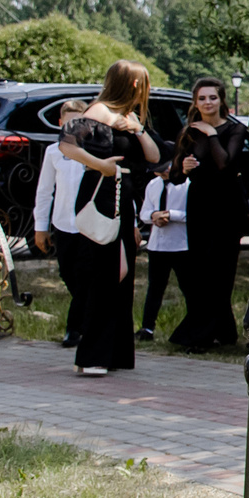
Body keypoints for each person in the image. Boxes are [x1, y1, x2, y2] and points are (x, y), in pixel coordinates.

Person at [55, 61, 164, 378]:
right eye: (142, 84)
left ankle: (113, 351)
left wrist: (138, 129)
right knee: (103, 276)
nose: (145, 90)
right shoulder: (98, 111)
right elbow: (67, 144)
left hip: (123, 198)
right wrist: (100, 165)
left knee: (122, 275)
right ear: (130, 84)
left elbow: (155, 157)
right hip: (102, 193)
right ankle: (91, 355)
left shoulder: (130, 117)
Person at [168, 77, 249, 353]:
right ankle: (222, 331)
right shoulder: (188, 132)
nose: (207, 103)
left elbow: (226, 164)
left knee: (222, 270)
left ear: (221, 100)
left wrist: (211, 134)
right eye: (202, 98)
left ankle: (205, 334)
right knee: (199, 270)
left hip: (227, 206)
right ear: (195, 101)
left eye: (212, 98)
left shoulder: (235, 129)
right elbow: (175, 177)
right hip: (200, 204)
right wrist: (185, 166)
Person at [32, 96, 87, 348]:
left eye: (80, 121)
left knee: (84, 274)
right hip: (63, 222)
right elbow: (45, 191)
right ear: (60, 123)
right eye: (69, 122)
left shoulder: (95, 149)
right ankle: (87, 315)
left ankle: (75, 328)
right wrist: (40, 227)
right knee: (67, 272)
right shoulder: (54, 152)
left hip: (90, 223)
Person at [136, 163, 191, 340]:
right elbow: (144, 213)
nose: (161, 174)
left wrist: (171, 215)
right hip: (157, 245)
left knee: (188, 288)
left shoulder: (187, 183)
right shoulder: (153, 184)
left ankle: (193, 325)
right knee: (155, 288)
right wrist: (154, 216)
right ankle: (147, 328)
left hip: (181, 245)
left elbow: (195, 213)